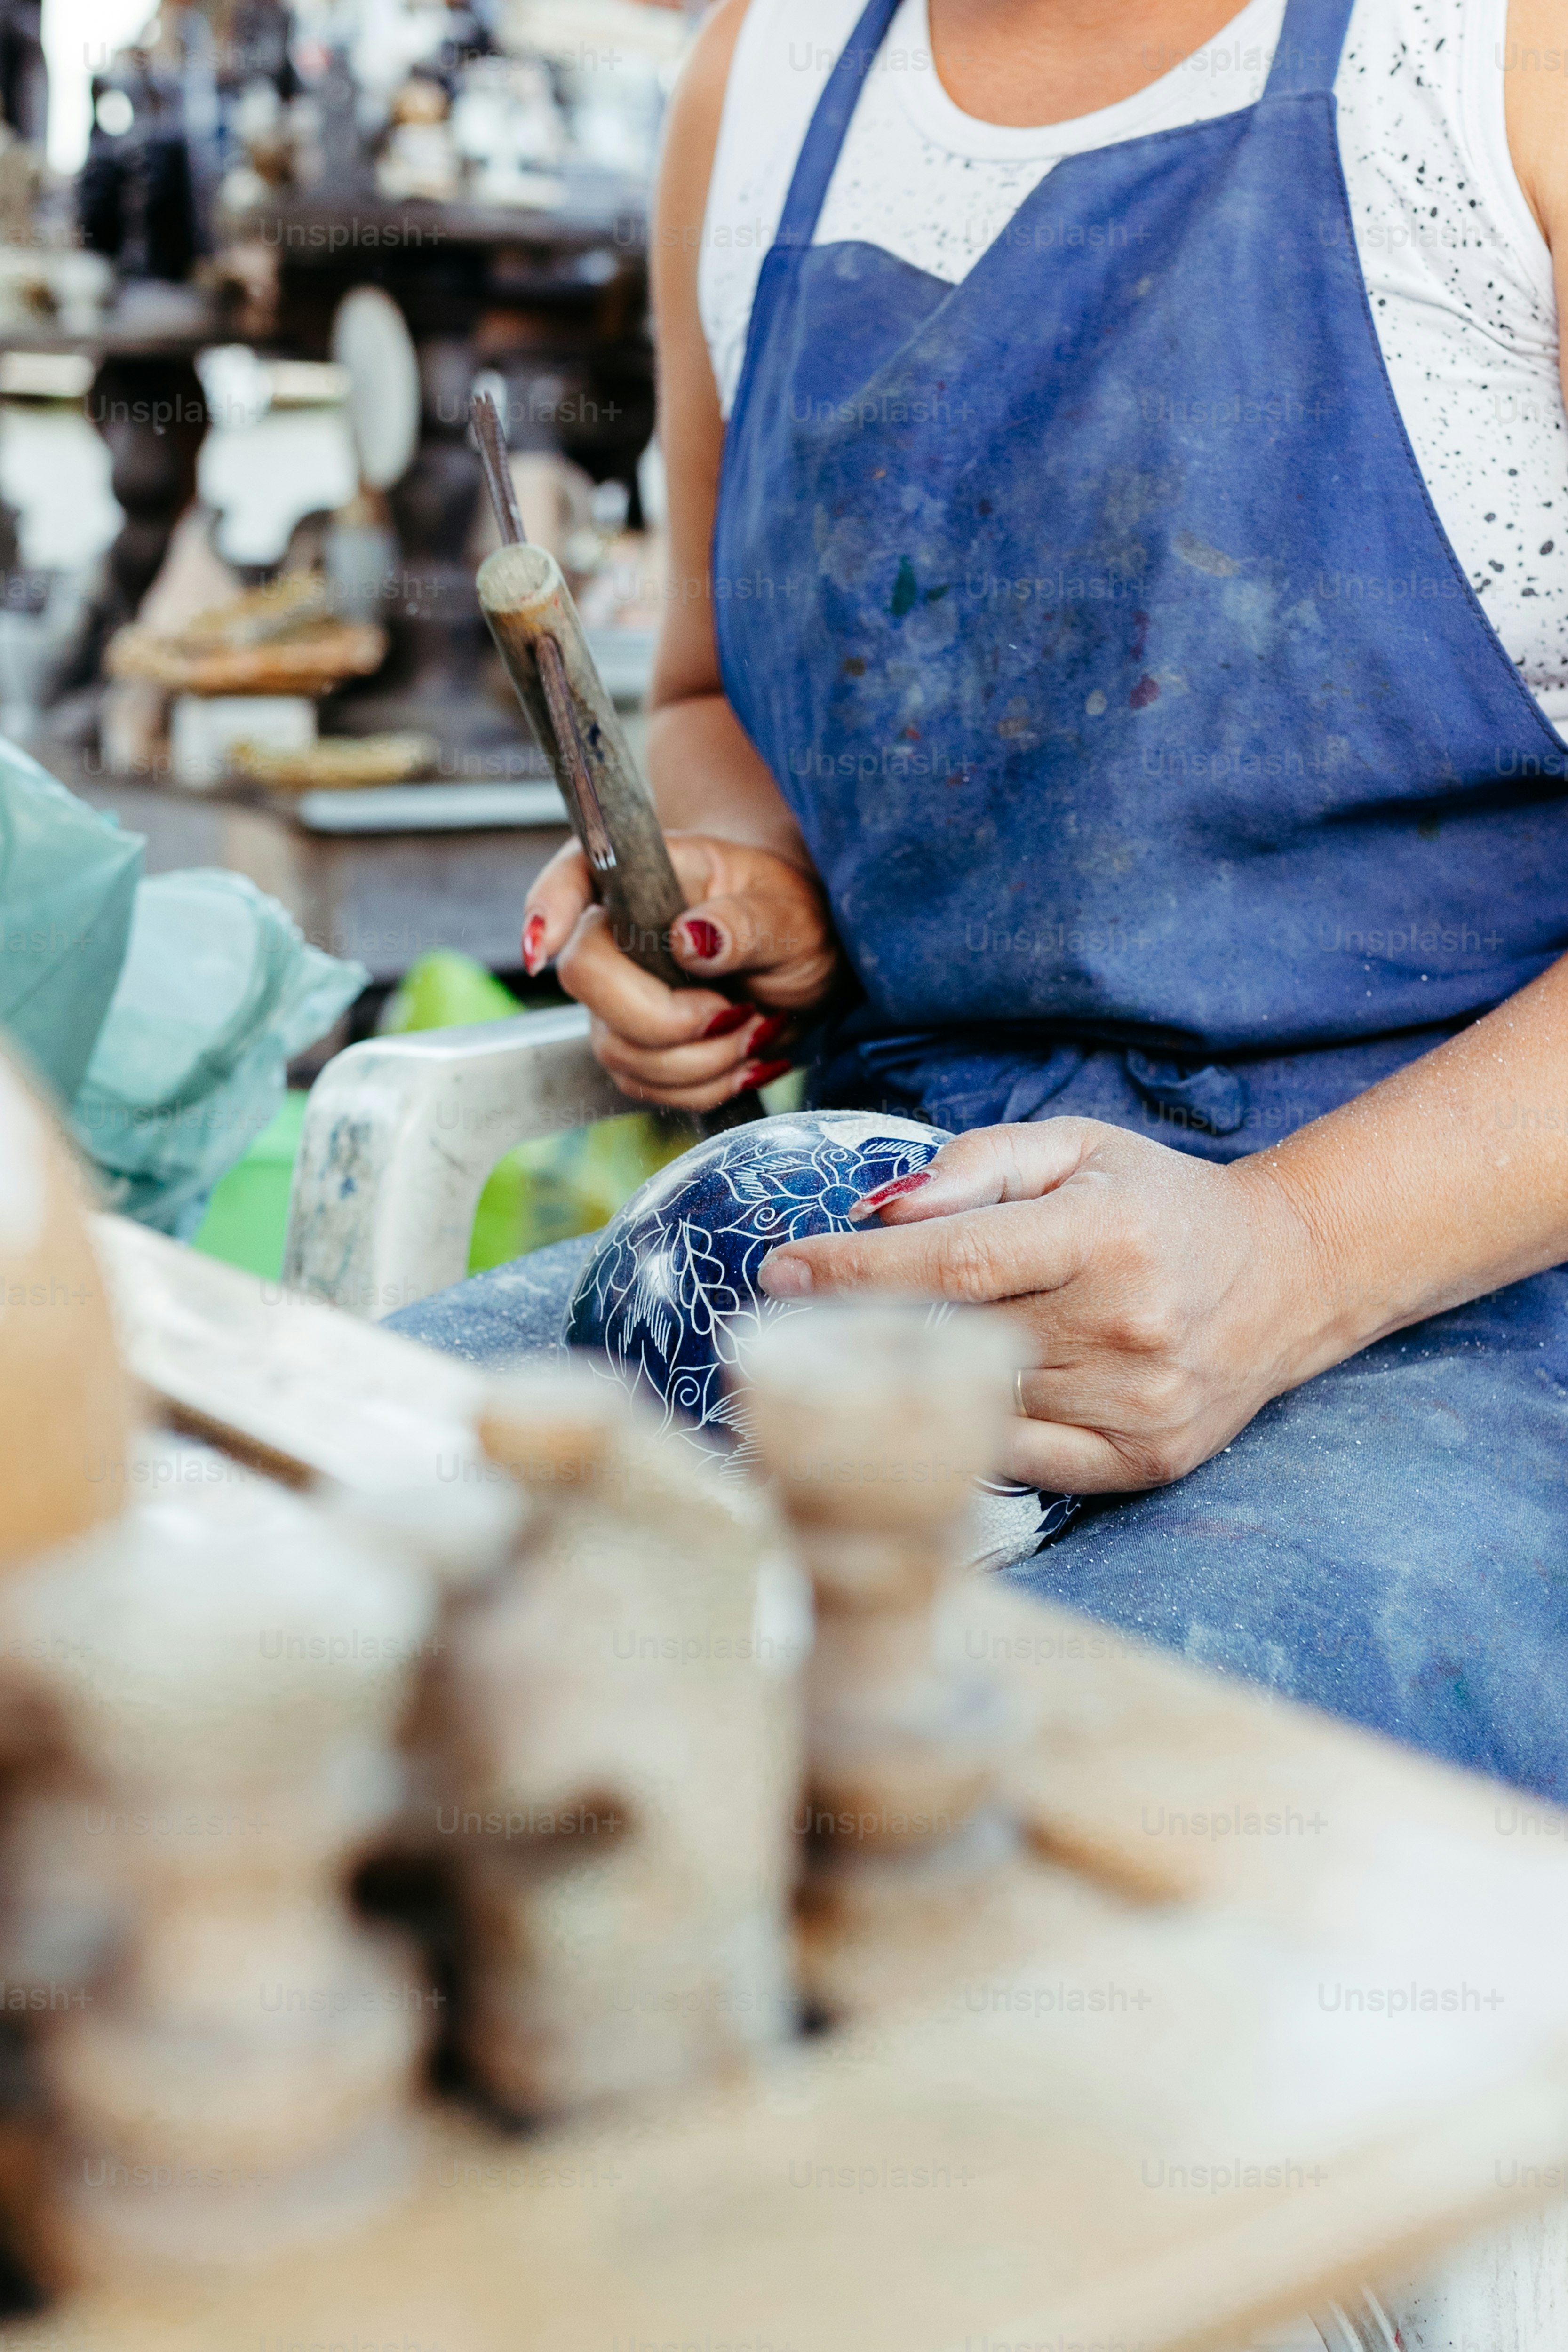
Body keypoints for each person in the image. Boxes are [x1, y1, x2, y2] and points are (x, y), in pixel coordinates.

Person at [392, 0, 1568, 1796]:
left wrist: (1292, 1258)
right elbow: (704, 698)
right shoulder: (762, 87)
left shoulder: (1504, 65)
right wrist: (740, 878)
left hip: (1459, 1288)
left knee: (978, 1811)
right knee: (324, 1603)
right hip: (901, 1237)